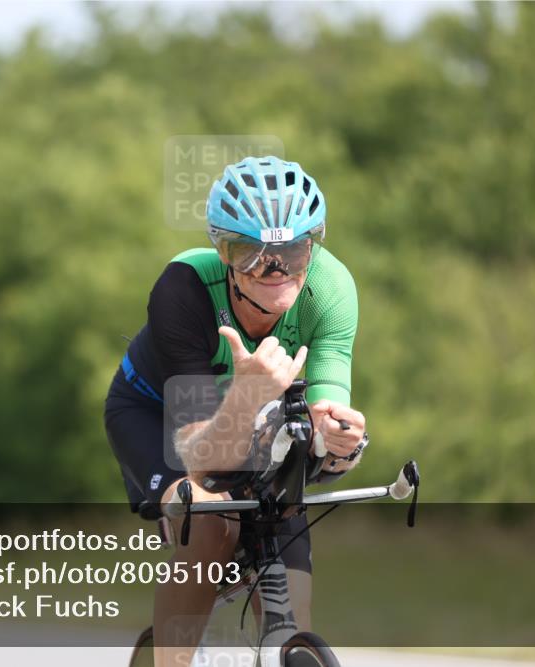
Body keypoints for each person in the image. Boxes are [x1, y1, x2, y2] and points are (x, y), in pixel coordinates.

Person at [104, 155, 366, 666]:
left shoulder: (332, 292)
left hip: (252, 419)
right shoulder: (183, 289)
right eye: (252, 253)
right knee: (209, 520)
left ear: (314, 244)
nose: (275, 270)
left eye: (293, 250)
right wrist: (245, 394)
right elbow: (199, 457)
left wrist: (341, 444)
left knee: (285, 518)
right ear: (224, 253)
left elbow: (323, 430)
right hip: (154, 416)